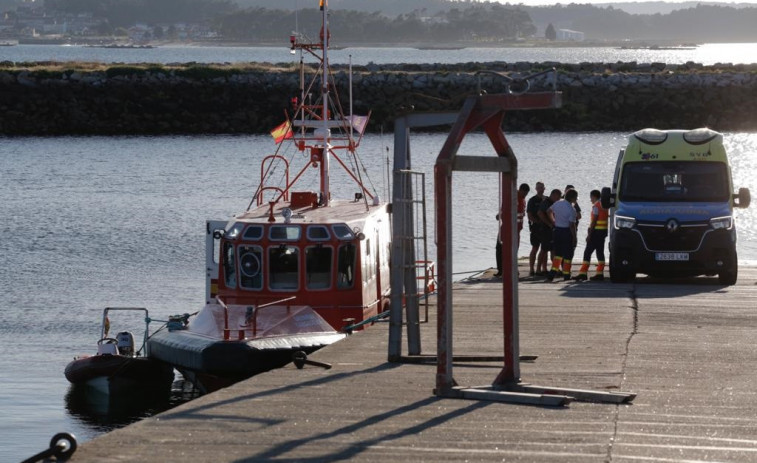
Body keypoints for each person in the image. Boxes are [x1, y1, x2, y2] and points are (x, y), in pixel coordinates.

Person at [494, 183, 530, 278]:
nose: (525, 195)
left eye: (526, 194)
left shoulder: (521, 199)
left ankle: (510, 270)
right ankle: (502, 270)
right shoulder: (513, 197)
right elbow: (504, 209)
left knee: (512, 250)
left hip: (516, 229)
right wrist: (500, 215)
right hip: (507, 228)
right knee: (500, 248)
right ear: (521, 190)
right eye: (524, 193)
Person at [574, 189, 609, 281]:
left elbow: (594, 220)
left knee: (587, 252)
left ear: (594, 196)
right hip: (603, 232)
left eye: (591, 198)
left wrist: (589, 234)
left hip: (596, 232)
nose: (590, 200)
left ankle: (583, 273)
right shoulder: (605, 206)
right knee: (600, 252)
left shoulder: (596, 206)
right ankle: (600, 273)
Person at [546, 188, 578, 282]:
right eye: (575, 198)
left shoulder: (558, 203)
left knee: (558, 254)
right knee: (568, 256)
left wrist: (553, 221)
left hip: (557, 231)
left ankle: (552, 274)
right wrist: (574, 238)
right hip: (566, 232)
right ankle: (566, 275)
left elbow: (548, 211)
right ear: (572, 198)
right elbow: (571, 225)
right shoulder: (572, 209)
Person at [537, 188, 562, 277]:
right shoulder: (546, 202)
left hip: (553, 229)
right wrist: (549, 224)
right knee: (544, 250)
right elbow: (540, 213)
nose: (559, 199)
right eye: (558, 197)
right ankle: (538, 269)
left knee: (553, 250)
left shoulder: (554, 203)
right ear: (554, 195)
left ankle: (555, 269)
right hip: (545, 229)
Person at [526, 182, 546, 276]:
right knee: (535, 248)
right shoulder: (532, 200)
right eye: (538, 188)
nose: (540, 189)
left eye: (542, 187)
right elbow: (529, 215)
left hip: (545, 227)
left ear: (544, 188)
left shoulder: (546, 199)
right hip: (535, 227)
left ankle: (543, 269)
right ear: (536, 188)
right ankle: (531, 269)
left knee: (544, 248)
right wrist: (538, 222)